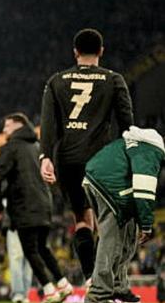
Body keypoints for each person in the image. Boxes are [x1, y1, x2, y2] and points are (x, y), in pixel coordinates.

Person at [40, 28, 134, 282]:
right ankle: (106, 279)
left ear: (75, 52)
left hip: (67, 160)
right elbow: (126, 123)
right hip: (100, 158)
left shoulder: (56, 81)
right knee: (106, 219)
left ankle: (91, 277)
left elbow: (48, 124)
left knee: (82, 218)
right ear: (101, 51)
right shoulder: (113, 79)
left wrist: (45, 156)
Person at [0, 113, 73, 303]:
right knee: (42, 247)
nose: (4, 130)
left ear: (18, 125)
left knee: (30, 250)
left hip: (23, 205)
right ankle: (63, 284)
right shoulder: (38, 147)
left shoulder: (11, 147)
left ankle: (49, 290)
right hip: (44, 204)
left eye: (7, 126)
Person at [82, 126, 164, 303]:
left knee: (128, 233)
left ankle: (118, 286)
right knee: (111, 240)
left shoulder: (140, 142)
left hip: (100, 178)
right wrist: (146, 225)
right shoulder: (153, 150)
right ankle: (98, 294)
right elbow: (143, 189)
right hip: (109, 184)